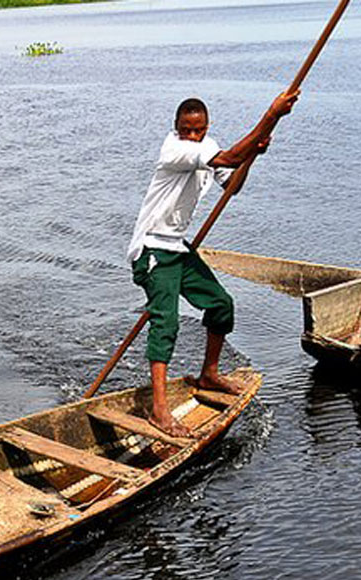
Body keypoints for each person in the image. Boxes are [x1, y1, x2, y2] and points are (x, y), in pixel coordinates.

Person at [128, 89, 299, 437]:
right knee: (166, 322)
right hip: (152, 249)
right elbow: (231, 156)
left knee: (221, 305)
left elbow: (232, 185)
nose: (193, 135)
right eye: (186, 129)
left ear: (206, 128)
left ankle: (209, 373)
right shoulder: (174, 149)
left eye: (199, 130)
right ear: (176, 128)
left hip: (177, 248)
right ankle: (160, 411)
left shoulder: (208, 148)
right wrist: (272, 114)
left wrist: (251, 157)